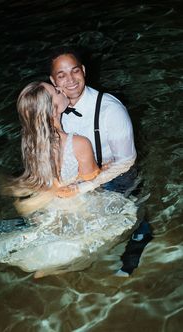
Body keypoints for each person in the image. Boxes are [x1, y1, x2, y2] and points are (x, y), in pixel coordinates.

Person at [0, 82, 139, 278]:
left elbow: (53, 179)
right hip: (77, 208)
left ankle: (48, 264)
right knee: (130, 215)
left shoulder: (31, 144)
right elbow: (92, 181)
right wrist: (102, 167)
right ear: (54, 109)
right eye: (56, 92)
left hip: (49, 209)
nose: (61, 89)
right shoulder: (79, 143)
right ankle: (57, 266)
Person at [49, 48, 152, 276]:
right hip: (81, 174)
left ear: (83, 71)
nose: (71, 80)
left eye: (75, 71)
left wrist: (86, 186)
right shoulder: (54, 109)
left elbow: (127, 162)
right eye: (62, 75)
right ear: (53, 81)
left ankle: (140, 236)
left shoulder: (110, 110)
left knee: (127, 221)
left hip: (115, 175)